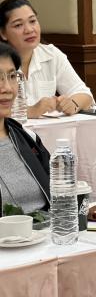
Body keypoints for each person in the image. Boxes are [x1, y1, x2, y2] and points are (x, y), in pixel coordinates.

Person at [0, 0, 94, 118]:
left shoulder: (51, 54)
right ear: (3, 33)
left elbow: (85, 94)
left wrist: (73, 104)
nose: (29, 30)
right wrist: (30, 111)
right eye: (18, 25)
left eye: (32, 21)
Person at [0, 43, 50, 213]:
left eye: (12, 76)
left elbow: (58, 194)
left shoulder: (27, 139)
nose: (7, 88)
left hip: (44, 226)